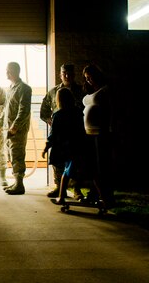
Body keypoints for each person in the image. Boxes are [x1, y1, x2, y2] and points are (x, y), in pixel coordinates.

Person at [39, 63, 84, 198]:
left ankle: (77, 189)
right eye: (64, 73)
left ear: (74, 74)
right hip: (59, 134)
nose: (67, 75)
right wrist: (51, 121)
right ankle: (59, 188)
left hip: (75, 133)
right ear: (60, 74)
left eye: (69, 73)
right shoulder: (53, 92)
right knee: (58, 162)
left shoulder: (81, 90)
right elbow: (44, 111)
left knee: (76, 162)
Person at [42, 86, 88, 210]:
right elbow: (82, 129)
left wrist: (46, 147)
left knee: (66, 173)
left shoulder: (58, 115)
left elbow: (53, 134)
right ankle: (77, 193)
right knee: (73, 171)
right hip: (78, 145)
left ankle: (62, 197)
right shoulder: (78, 112)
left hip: (66, 148)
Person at [0, 61, 32, 195]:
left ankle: (20, 185)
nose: (6, 73)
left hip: (18, 130)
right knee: (11, 155)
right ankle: (16, 182)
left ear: (16, 71)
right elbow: (5, 110)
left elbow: (24, 110)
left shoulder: (24, 89)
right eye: (6, 70)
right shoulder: (10, 88)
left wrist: (15, 127)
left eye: (9, 70)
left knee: (17, 155)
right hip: (7, 129)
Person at [82, 63, 115, 209]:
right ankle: (94, 193)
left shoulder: (105, 90)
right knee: (91, 166)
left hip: (100, 133)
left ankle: (107, 196)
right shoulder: (90, 89)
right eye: (86, 78)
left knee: (101, 167)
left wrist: (110, 129)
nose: (89, 80)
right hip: (88, 133)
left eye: (90, 77)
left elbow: (110, 112)